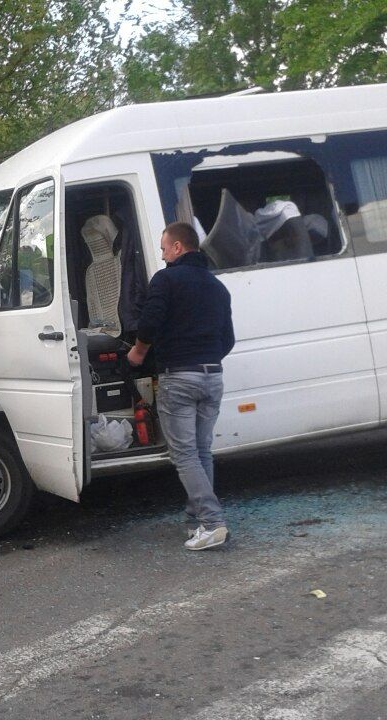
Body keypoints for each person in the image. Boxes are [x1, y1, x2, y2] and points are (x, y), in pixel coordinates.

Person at [127, 221, 235, 551]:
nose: (162, 255)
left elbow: (149, 323)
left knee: (185, 455)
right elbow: (227, 340)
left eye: (163, 248)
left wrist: (138, 353)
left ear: (177, 247)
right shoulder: (218, 287)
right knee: (201, 452)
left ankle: (213, 523)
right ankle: (196, 522)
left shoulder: (166, 279)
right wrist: (204, 358)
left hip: (179, 378)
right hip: (212, 376)